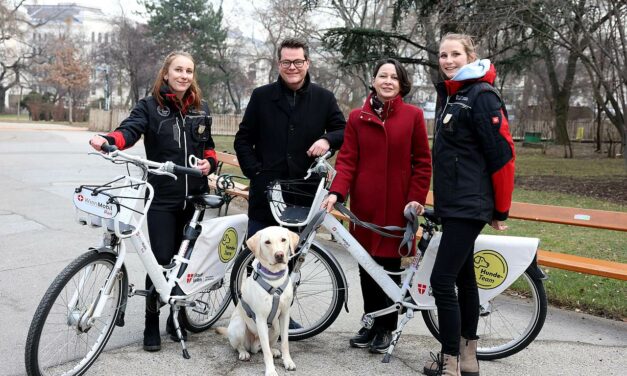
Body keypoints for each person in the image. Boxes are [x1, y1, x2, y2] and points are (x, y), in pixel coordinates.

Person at [88, 51, 217, 352]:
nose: (184, 75)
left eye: (189, 71)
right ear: (166, 73)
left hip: (194, 197)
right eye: (178, 70)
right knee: (159, 261)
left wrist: (209, 164)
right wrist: (110, 141)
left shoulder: (201, 108)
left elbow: (208, 146)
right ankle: (151, 323)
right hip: (163, 198)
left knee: (185, 262)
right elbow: (129, 131)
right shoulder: (150, 106)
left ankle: (177, 317)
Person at [322, 58, 432, 354]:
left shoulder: (413, 116)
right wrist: (336, 193)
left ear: (401, 84)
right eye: (382, 75)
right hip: (365, 207)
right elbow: (347, 161)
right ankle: (371, 321)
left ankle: (387, 327)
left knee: (389, 267)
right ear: (373, 81)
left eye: (393, 77)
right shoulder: (357, 117)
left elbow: (422, 162)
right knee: (365, 264)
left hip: (398, 207)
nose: (387, 81)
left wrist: (416, 198)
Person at [422, 34, 515, 376]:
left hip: (469, 205)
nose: (448, 60)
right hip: (455, 205)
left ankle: (449, 364)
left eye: (455, 54)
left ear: (470, 56)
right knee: (465, 280)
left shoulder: (482, 95)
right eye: (443, 55)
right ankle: (469, 360)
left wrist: (500, 209)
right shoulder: (455, 94)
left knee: (442, 280)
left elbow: (502, 155)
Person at [234, 37, 345, 237]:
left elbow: (343, 131)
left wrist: (327, 140)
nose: (292, 67)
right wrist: (256, 173)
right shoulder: (261, 96)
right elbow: (242, 139)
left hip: (304, 195)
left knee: (292, 260)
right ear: (279, 64)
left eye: (298, 62)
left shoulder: (324, 98)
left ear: (307, 63)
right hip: (266, 194)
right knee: (256, 259)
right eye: (286, 62)